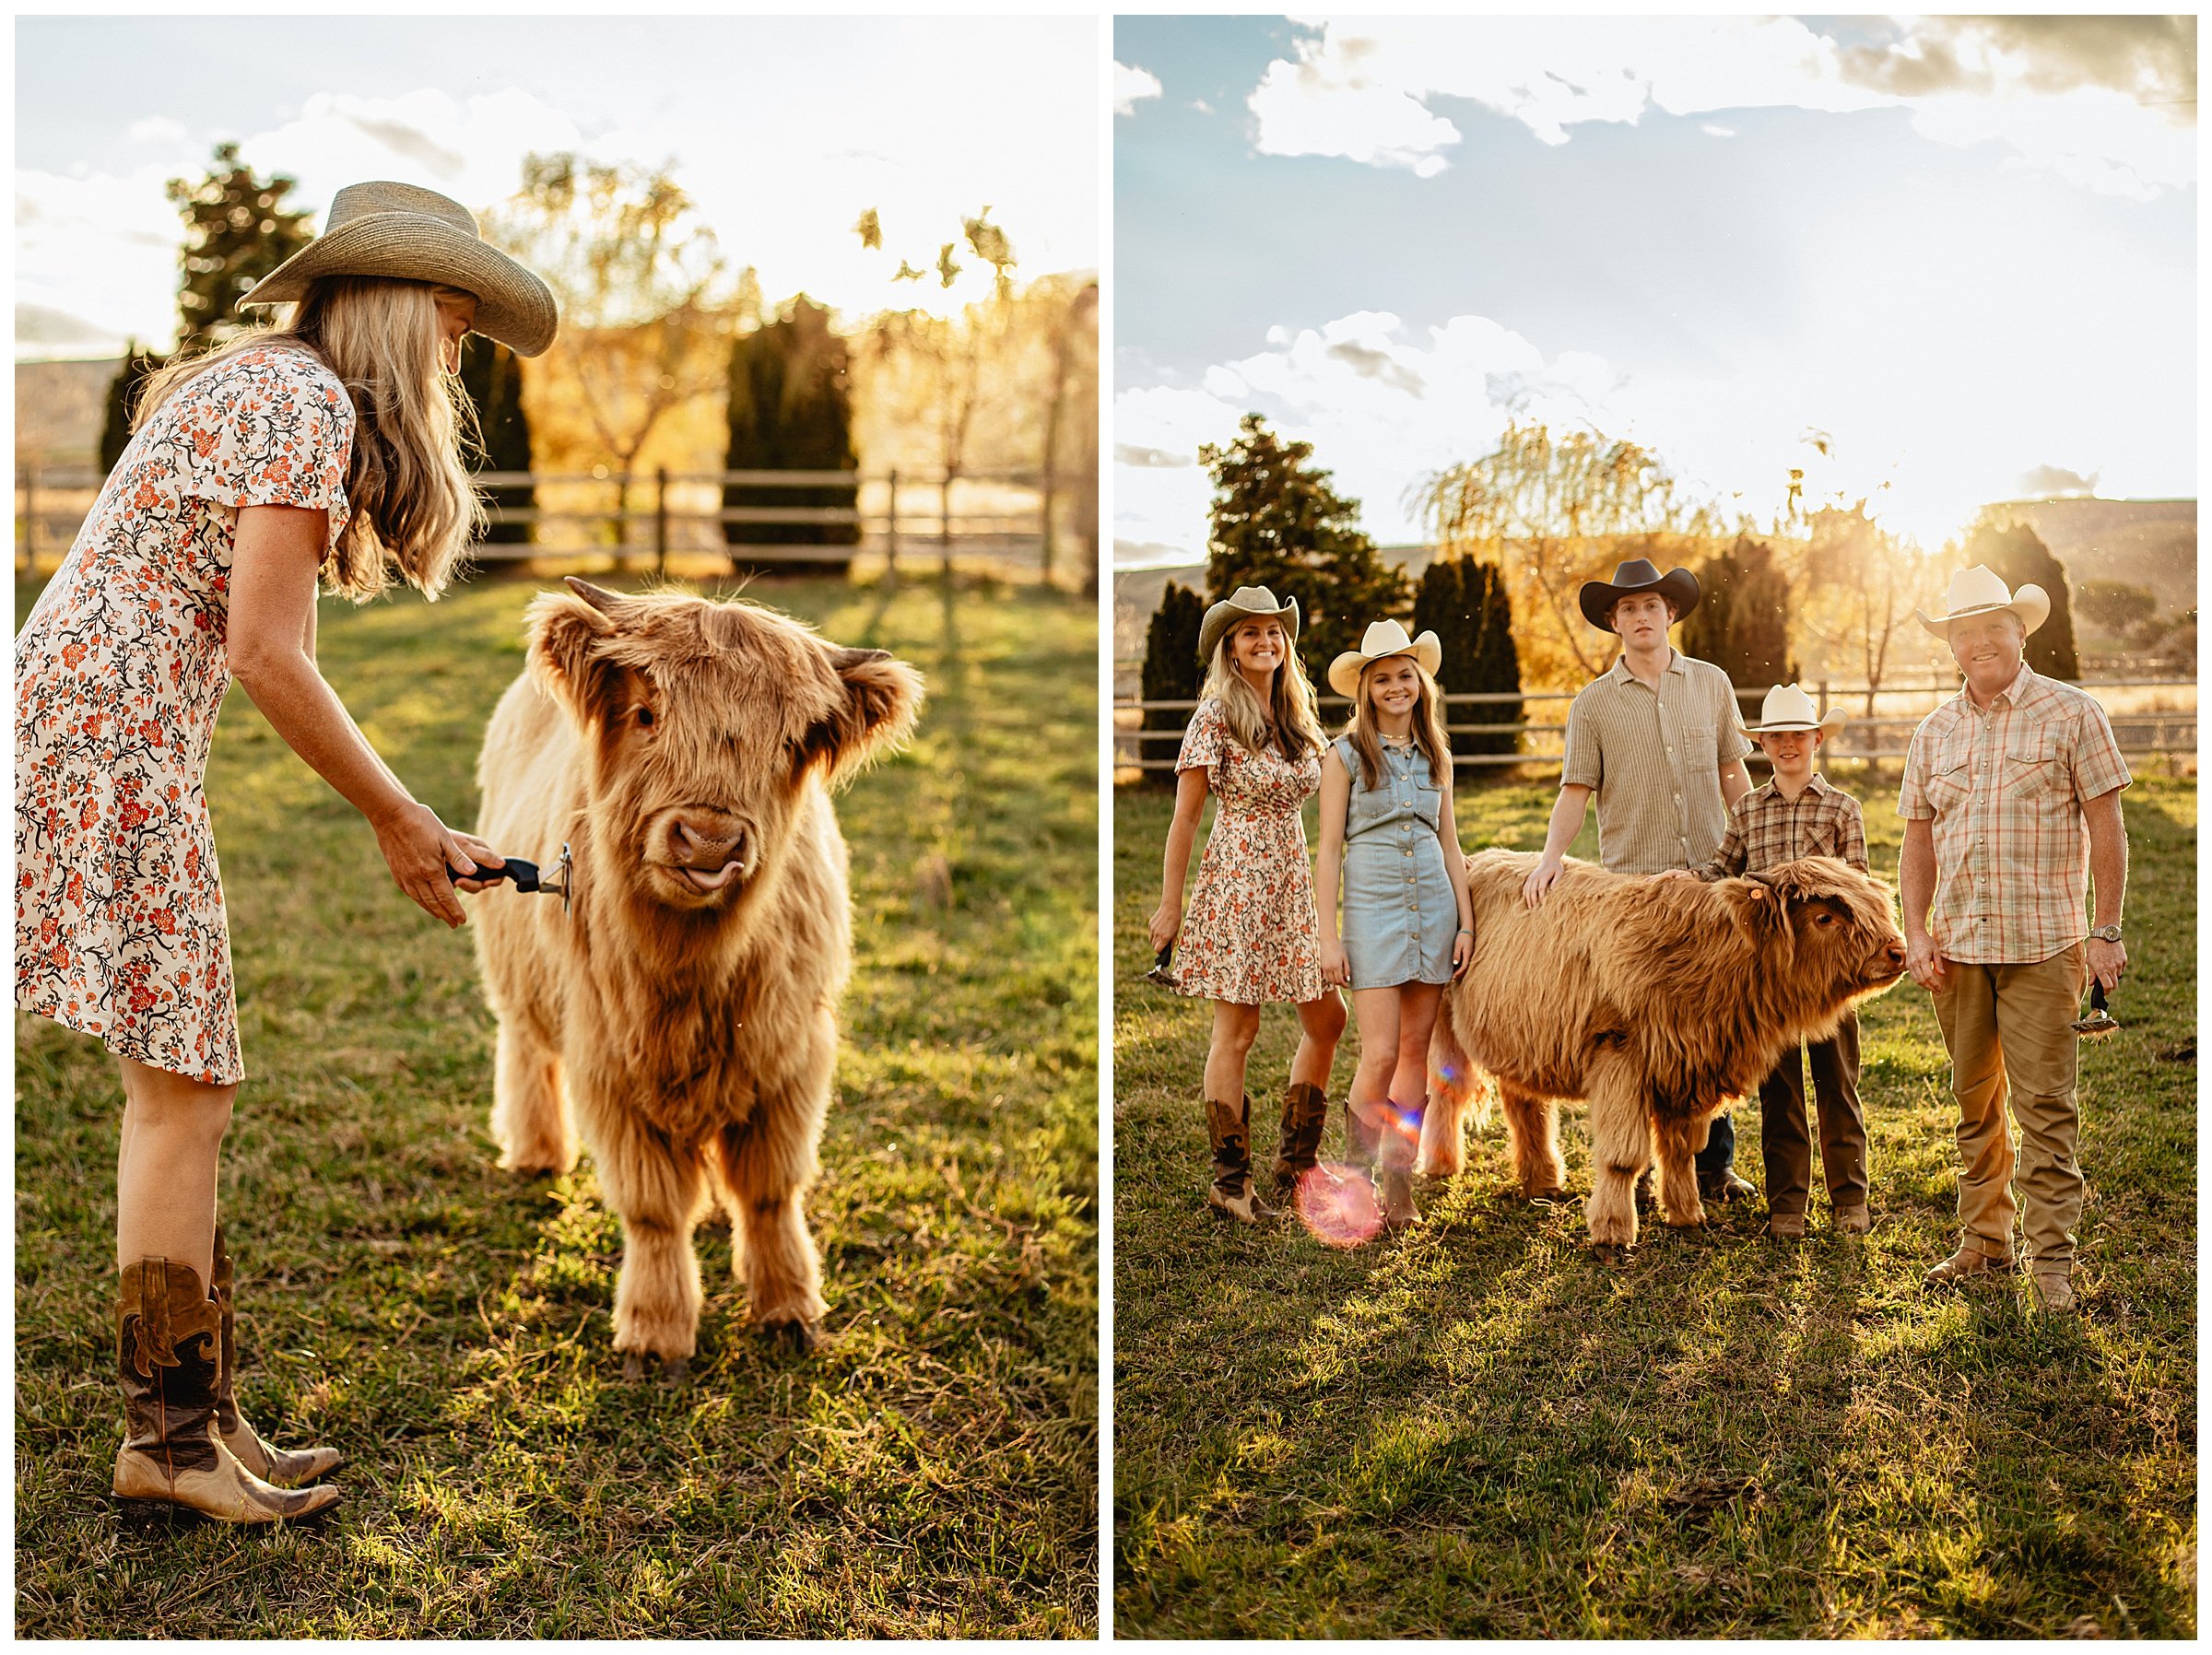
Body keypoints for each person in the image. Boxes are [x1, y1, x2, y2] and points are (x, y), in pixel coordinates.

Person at [15, 182, 558, 1521]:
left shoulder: (266, 385)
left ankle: (195, 1423)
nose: (455, 353)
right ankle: (173, 1442)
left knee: (186, 1083)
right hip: (109, 746)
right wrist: (403, 817)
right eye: (450, 321)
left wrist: (405, 815)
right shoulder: (302, 404)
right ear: (392, 307)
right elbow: (268, 652)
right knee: (184, 1089)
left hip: (96, 728)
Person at [1899, 566, 2130, 1314]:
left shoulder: (2072, 713)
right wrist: (1916, 931)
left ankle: (2052, 1262)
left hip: (2044, 946)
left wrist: (2105, 929)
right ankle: (1983, 1242)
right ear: (1952, 646)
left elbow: (2107, 827)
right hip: (1959, 948)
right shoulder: (1934, 731)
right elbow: (1917, 842)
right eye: (1963, 634)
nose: (1977, 645)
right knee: (1974, 1104)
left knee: (2044, 1108)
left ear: (2020, 632)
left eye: (1992, 629)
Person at [1521, 558, 1757, 1203]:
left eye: (1651, 605)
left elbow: (1734, 771)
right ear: (1613, 622)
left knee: (1709, 1023)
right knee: (1642, 1030)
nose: (1640, 617)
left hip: (1713, 878)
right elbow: (1576, 791)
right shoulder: (1593, 704)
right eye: (1627, 609)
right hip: (1637, 890)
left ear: (1670, 613)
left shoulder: (1710, 684)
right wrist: (1549, 858)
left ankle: (1712, 1164)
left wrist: (1757, 838)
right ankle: (1645, 1165)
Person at [1149, 586, 1346, 1224]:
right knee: (1238, 1031)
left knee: (1329, 1019)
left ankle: (1296, 1165)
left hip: (1291, 880)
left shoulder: (1294, 716)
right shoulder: (1214, 716)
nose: (1266, 641)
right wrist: (1170, 905)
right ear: (1231, 650)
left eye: (1274, 632)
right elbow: (1184, 821)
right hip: (1237, 882)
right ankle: (1231, 1184)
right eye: (1250, 633)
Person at [1665, 684, 1871, 1239]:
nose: (1788, 745)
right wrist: (1689, 882)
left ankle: (1849, 1200)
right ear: (1764, 744)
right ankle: (1787, 1206)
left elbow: (1859, 887)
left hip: (1828, 973)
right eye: (1777, 736)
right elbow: (1722, 869)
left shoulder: (1842, 809)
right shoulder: (1749, 809)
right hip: (1770, 976)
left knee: (1837, 1083)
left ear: (1817, 739)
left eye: (1798, 735)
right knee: (1779, 1091)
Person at [1313, 620, 1474, 1230]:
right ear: (1367, 688)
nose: (1396, 687)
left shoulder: (1437, 755)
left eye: (1405, 675)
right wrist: (1328, 936)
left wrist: (1465, 924)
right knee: (1378, 1054)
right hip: (1373, 913)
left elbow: (1451, 843)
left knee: (1415, 1052)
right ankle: (1357, 1181)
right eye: (1383, 678)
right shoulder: (1346, 755)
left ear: (1419, 682)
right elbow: (1328, 850)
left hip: (1433, 909)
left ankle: (1399, 1185)